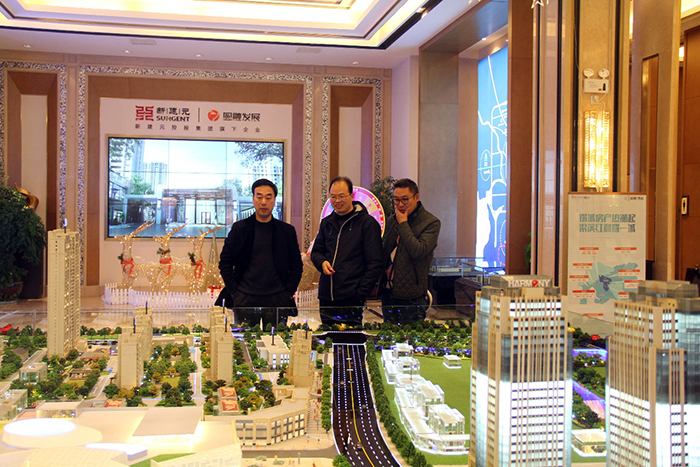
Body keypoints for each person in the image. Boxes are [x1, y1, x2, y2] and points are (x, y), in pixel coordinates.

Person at [216, 178, 303, 327]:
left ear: (274, 200)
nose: (263, 202)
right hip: (245, 298)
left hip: (277, 299)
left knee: (277, 340)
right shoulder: (239, 229)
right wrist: (235, 291)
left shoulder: (286, 231)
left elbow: (296, 265)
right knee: (246, 340)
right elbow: (225, 262)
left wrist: (288, 292)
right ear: (253, 199)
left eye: (268, 197)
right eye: (259, 197)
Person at [311, 176, 383, 328]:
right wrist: (322, 262)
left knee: (350, 338)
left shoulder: (367, 224)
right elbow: (316, 251)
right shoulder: (327, 222)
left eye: (341, 196)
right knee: (327, 337)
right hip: (327, 296)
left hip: (352, 297)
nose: (337, 200)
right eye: (333, 196)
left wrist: (361, 293)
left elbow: (375, 262)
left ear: (351, 196)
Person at [379, 178, 440, 324]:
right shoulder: (392, 220)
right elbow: (385, 253)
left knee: (411, 337)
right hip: (389, 292)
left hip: (412, 297)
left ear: (416, 197)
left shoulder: (431, 223)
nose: (400, 204)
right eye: (396, 200)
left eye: (405, 200)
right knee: (389, 336)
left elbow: (418, 251)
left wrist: (403, 224)